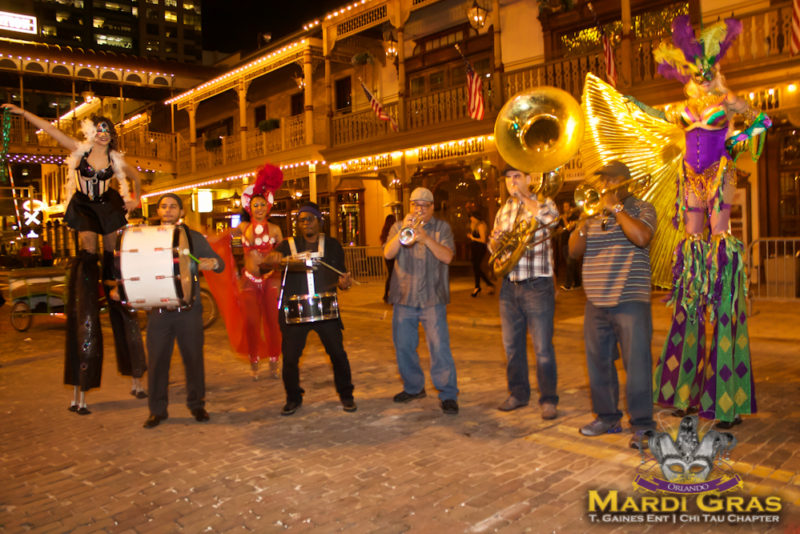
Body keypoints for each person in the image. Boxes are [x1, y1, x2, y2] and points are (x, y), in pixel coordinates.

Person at [626, 16, 768, 429]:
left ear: (716, 74)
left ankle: (725, 399)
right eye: (697, 73)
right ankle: (683, 391)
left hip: (718, 179)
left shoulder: (730, 104)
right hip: (689, 181)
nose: (704, 79)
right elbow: (664, 133)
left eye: (709, 72)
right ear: (689, 77)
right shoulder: (683, 110)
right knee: (689, 284)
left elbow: (762, 122)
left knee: (720, 258)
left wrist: (734, 145)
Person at [3, 103, 144, 413]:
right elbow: (52, 132)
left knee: (110, 251)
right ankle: (88, 277)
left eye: (109, 131)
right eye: (100, 130)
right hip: (83, 206)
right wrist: (23, 113)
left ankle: (111, 276)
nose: (104, 135)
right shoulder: (80, 150)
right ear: (93, 133)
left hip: (107, 204)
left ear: (112, 136)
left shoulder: (115, 160)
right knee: (88, 250)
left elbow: (136, 177)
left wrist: (135, 198)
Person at [569, 161, 656, 449]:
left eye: (608, 180)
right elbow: (573, 252)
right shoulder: (592, 215)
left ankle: (643, 425)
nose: (603, 186)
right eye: (600, 181)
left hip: (630, 298)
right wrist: (583, 222)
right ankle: (607, 417)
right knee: (599, 364)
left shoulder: (642, 209)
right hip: (596, 299)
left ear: (623, 182)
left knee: (638, 365)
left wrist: (617, 209)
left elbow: (642, 238)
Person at [263, 202, 355, 416]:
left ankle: (346, 395)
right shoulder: (288, 246)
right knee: (291, 358)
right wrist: (272, 258)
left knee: (338, 354)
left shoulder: (331, 245)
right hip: (295, 311)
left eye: (310, 219)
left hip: (325, 309)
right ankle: (293, 397)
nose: (306, 223)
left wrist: (345, 283)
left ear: (319, 221)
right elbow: (267, 263)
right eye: (301, 220)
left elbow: (342, 279)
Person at [142, 193, 224, 428]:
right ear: (158, 211)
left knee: (193, 359)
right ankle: (157, 410)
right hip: (159, 310)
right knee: (157, 362)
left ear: (181, 212)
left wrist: (213, 263)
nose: (168, 210)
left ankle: (197, 404)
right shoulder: (148, 237)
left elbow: (220, 263)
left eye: (173, 206)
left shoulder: (193, 237)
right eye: (163, 206)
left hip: (189, 309)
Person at [488, 165, 559, 419]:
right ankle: (518, 393)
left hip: (537, 285)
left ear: (530, 178)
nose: (512, 182)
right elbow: (495, 245)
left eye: (517, 176)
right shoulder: (503, 209)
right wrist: (495, 241)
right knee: (512, 347)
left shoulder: (544, 202)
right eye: (508, 178)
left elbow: (552, 221)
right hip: (509, 286)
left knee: (542, 348)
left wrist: (525, 199)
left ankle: (548, 399)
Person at [384, 187, 459, 415]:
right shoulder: (399, 227)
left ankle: (448, 394)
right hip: (404, 297)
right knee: (404, 347)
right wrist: (404, 231)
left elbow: (447, 256)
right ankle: (414, 387)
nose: (419, 210)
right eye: (415, 205)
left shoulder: (442, 228)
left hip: (432, 298)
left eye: (424, 206)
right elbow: (388, 253)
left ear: (432, 207)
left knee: (439, 348)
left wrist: (425, 239)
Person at [236, 164, 283, 379]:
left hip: (270, 279)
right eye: (255, 205)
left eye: (262, 204)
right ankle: (254, 359)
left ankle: (274, 359)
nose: (259, 208)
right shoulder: (243, 229)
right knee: (252, 323)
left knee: (273, 322)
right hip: (249, 281)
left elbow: (283, 254)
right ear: (249, 207)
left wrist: (278, 260)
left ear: (268, 206)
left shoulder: (275, 230)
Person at [467, 208, 495, 297]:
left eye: (471, 217)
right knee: (476, 267)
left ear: (476, 217)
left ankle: (484, 284)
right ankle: (479, 286)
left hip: (480, 248)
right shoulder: (474, 225)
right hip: (475, 248)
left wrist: (472, 238)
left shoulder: (481, 225)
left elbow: (483, 240)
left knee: (476, 267)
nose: (470, 219)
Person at [559, 202, 581, 290]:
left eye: (567, 206)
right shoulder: (561, 219)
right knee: (572, 264)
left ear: (570, 207)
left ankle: (568, 285)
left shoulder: (574, 217)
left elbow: (569, 228)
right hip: (564, 243)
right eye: (564, 207)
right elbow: (560, 229)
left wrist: (564, 219)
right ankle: (578, 283)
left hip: (573, 242)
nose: (565, 208)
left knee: (570, 263)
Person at [379, 214, 396, 303]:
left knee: (390, 275)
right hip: (393, 256)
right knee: (394, 276)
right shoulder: (393, 230)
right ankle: (390, 295)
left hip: (387, 256)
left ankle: (386, 295)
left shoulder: (385, 231)